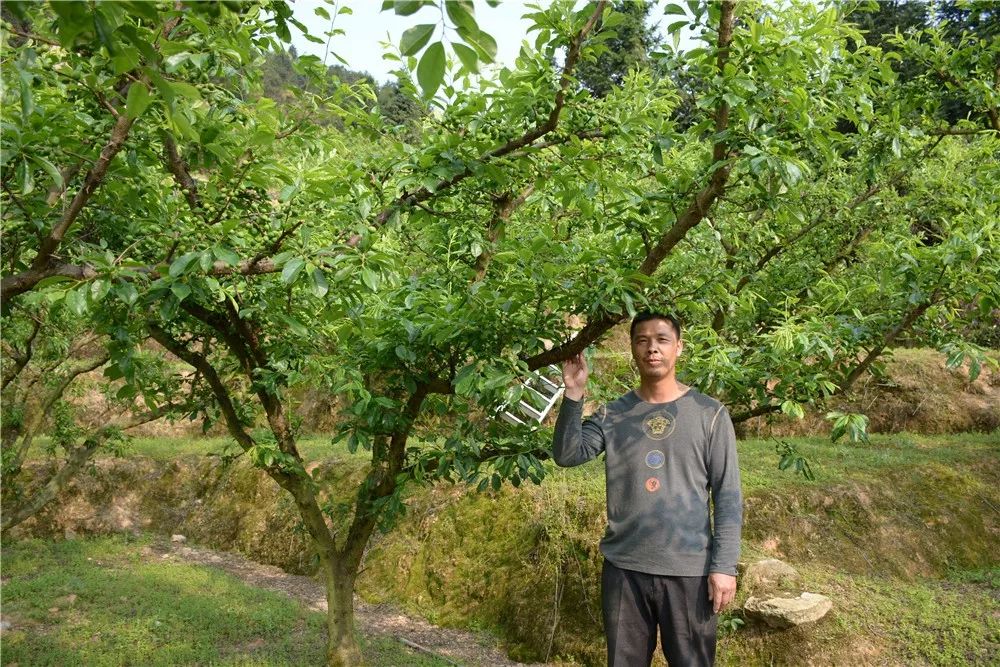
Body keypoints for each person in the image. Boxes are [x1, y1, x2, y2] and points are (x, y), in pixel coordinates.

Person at [553, 311, 742, 666]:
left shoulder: (709, 414)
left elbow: (728, 495)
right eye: (642, 341)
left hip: (690, 570)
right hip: (625, 568)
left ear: (679, 348)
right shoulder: (614, 414)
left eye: (661, 340)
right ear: (632, 349)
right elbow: (567, 455)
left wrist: (724, 566)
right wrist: (574, 394)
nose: (652, 349)